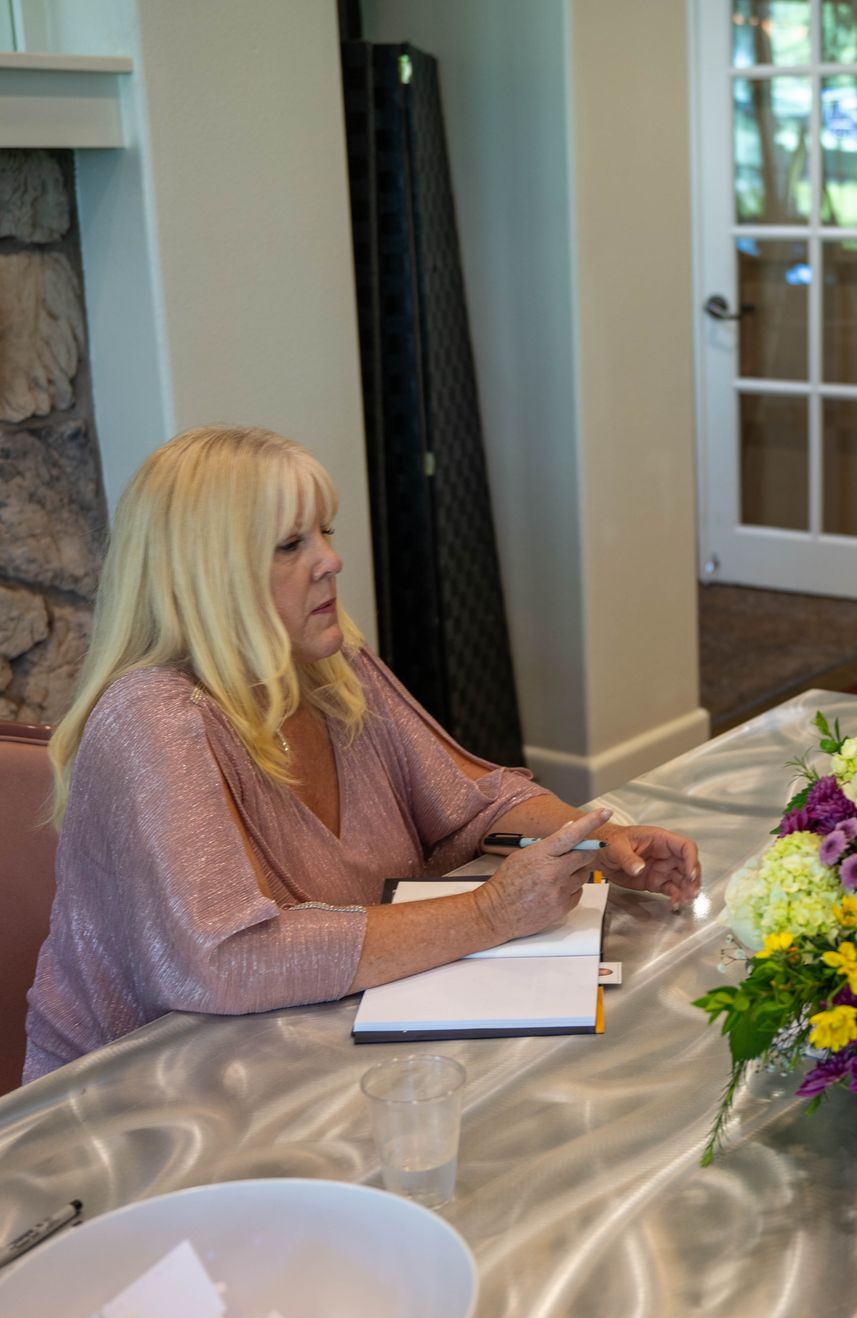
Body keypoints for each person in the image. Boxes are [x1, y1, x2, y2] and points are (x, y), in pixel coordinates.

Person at [25, 426, 701, 1081]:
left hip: (321, 1056)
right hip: (136, 1106)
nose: (330, 560)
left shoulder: (329, 666)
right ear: (207, 577)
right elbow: (223, 958)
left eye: (325, 532)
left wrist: (600, 839)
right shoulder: (151, 714)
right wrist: (490, 913)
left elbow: (476, 798)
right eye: (291, 543)